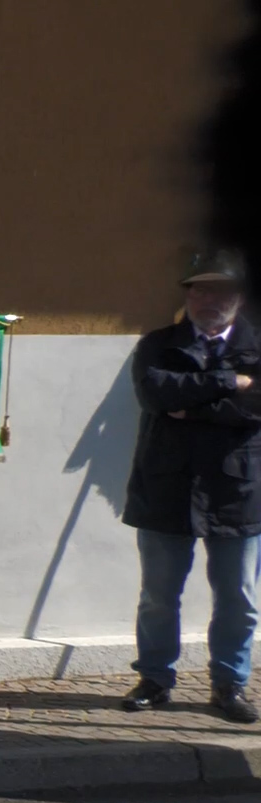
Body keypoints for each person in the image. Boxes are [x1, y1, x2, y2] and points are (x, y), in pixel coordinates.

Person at [121, 250, 261, 723]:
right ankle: (155, 679)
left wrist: (194, 403)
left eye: (219, 290)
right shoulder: (157, 345)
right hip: (166, 488)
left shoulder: (258, 347)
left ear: (239, 297)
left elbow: (253, 409)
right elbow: (155, 393)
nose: (207, 299)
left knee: (238, 598)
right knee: (158, 595)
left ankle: (229, 685)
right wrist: (228, 382)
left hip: (237, 493)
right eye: (198, 289)